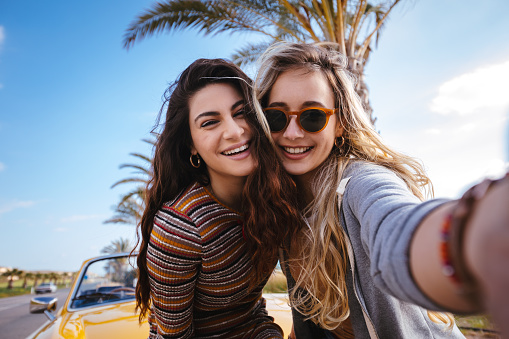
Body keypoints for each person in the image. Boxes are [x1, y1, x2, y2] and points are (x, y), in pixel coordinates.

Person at [252, 41, 509, 338]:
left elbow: (397, 227)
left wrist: (472, 239)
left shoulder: (360, 183)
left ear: (340, 124)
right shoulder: (283, 204)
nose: (293, 133)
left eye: (312, 116)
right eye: (276, 117)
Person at [134, 58, 301, 338]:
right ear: (192, 146)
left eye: (241, 113)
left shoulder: (274, 196)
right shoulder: (181, 227)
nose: (235, 131)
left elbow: (250, 310)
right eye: (210, 122)